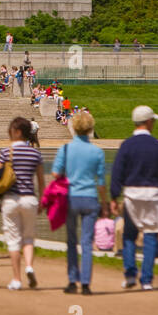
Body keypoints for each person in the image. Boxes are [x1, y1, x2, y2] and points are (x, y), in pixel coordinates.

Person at [111, 105, 158, 291]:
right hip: (154, 196)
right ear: (148, 122)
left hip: (132, 195)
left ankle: (130, 274)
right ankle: (146, 280)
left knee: (129, 236)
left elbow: (117, 173)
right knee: (150, 236)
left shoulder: (127, 145)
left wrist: (114, 196)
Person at [52, 110, 108, 295]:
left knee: (71, 241)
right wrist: (105, 203)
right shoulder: (97, 151)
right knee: (86, 242)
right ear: (90, 128)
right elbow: (101, 182)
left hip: (71, 198)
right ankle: (85, 284)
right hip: (90, 198)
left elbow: (55, 174)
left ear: (74, 127)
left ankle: (72, 281)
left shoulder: (65, 149)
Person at [0, 116, 45, 290]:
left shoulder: (6, 152)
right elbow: (41, 181)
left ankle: (17, 279)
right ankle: (29, 266)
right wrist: (42, 201)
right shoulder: (35, 153)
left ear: (17, 132)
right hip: (29, 198)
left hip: (11, 199)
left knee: (13, 240)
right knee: (28, 238)